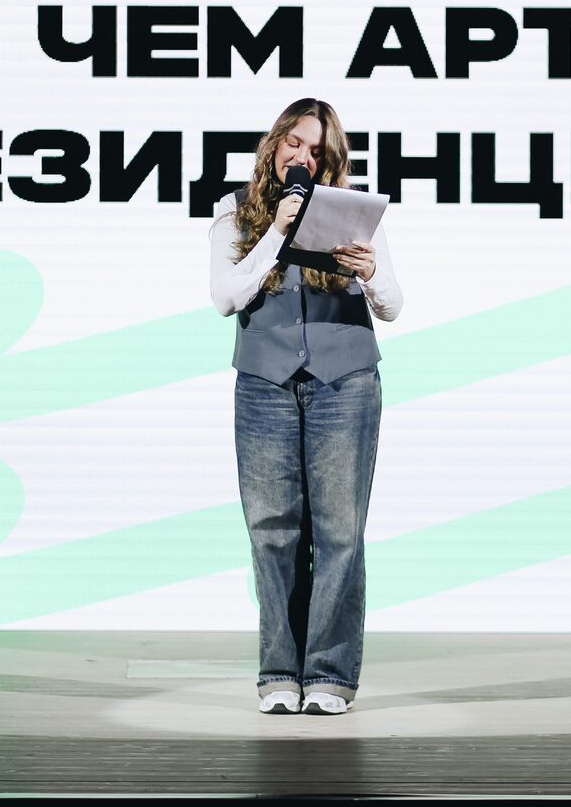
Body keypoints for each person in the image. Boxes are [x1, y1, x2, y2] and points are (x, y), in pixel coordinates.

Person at [207, 97, 403, 715]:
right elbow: (226, 297)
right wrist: (277, 231)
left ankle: (329, 676)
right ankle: (279, 673)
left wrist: (370, 272)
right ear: (275, 144)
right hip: (265, 382)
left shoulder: (354, 213)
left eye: (317, 150)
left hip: (344, 382)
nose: (303, 157)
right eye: (294, 143)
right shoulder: (235, 212)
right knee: (272, 531)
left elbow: (392, 306)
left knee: (340, 531)